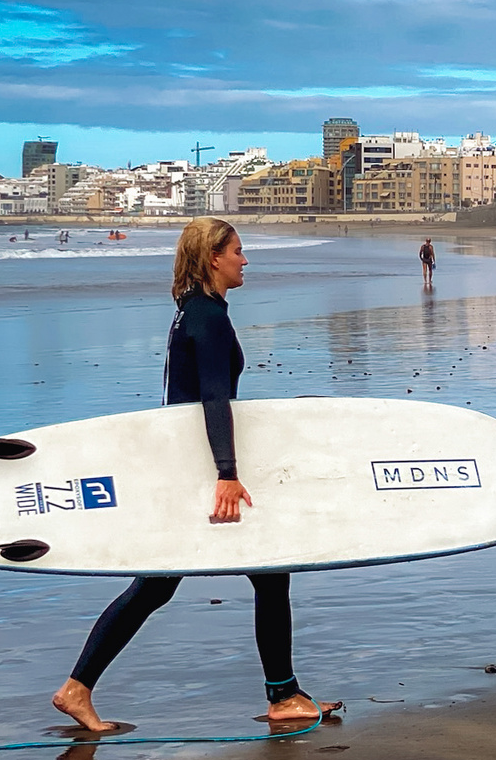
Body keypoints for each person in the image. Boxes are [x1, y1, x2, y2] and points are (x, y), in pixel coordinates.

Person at [51, 218, 341, 733]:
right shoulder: (208, 318)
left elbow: (180, 402)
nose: (244, 260)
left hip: (183, 461)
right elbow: (211, 399)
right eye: (237, 251)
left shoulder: (190, 313)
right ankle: (78, 688)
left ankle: (283, 693)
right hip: (198, 467)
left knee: (251, 574)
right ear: (213, 257)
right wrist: (225, 473)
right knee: (178, 581)